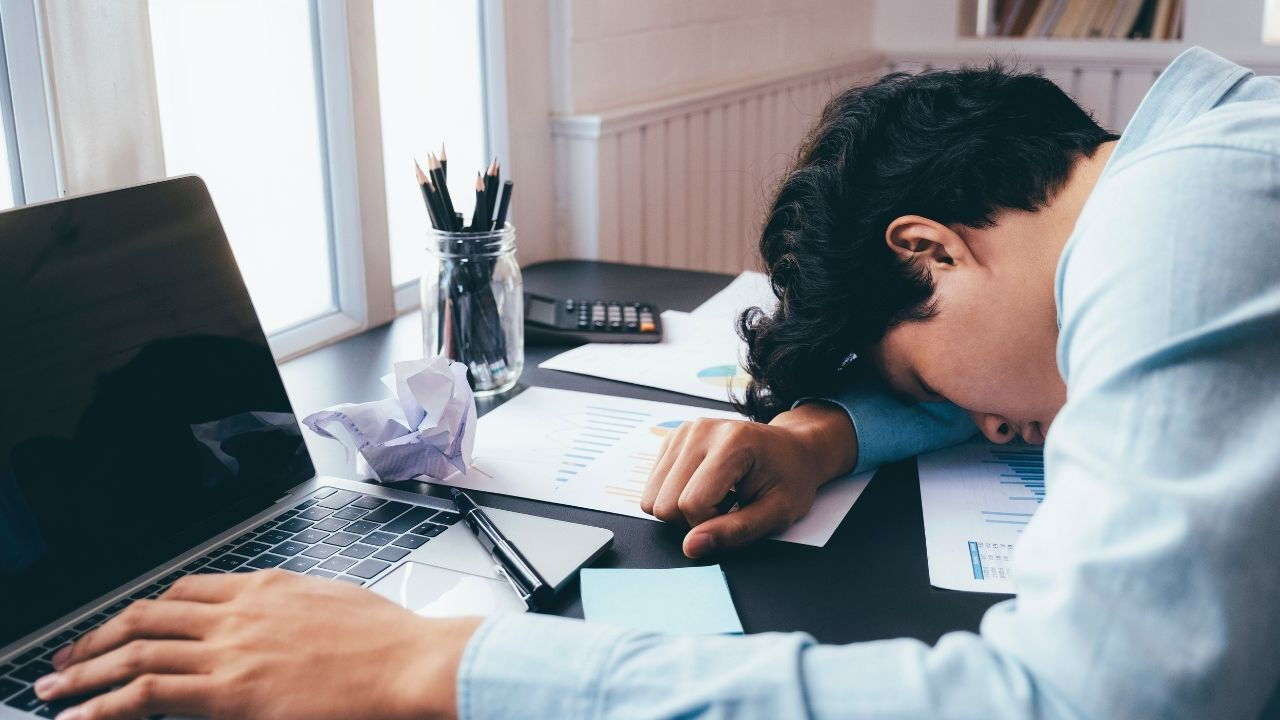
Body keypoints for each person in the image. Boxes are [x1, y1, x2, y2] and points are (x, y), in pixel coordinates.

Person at [32, 46, 1280, 719]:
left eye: (915, 365)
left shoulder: (1176, 229)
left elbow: (1083, 699)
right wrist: (833, 429)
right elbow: (999, 371)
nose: (997, 424)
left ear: (928, 249)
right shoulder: (1194, 161)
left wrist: (435, 671)